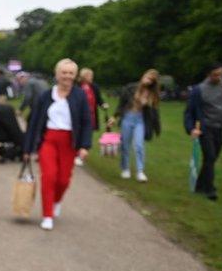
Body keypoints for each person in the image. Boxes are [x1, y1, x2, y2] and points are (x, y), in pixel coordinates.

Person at [23, 58, 93, 231]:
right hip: (49, 140)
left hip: (69, 142)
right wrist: (28, 148)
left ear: (75, 76)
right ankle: (47, 215)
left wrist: (84, 146)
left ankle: (57, 201)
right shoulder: (45, 96)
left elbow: (86, 122)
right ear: (57, 74)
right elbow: (34, 123)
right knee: (49, 177)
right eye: (64, 72)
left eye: (71, 73)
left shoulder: (79, 95)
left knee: (63, 180)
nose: (67, 76)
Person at [183, 62, 222, 201]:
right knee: (210, 156)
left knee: (212, 159)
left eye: (221, 74)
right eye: (216, 75)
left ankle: (199, 186)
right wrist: (191, 129)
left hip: (220, 128)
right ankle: (210, 190)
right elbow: (189, 112)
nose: (219, 77)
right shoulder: (199, 90)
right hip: (205, 128)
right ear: (209, 74)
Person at [109, 69, 161, 182]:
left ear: (153, 83)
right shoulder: (131, 87)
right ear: (143, 75)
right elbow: (121, 104)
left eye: (151, 80)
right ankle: (125, 169)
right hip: (127, 117)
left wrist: (157, 127)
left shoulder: (152, 94)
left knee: (139, 145)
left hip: (140, 120)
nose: (147, 81)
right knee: (125, 145)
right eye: (147, 77)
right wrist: (114, 117)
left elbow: (155, 112)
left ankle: (140, 171)